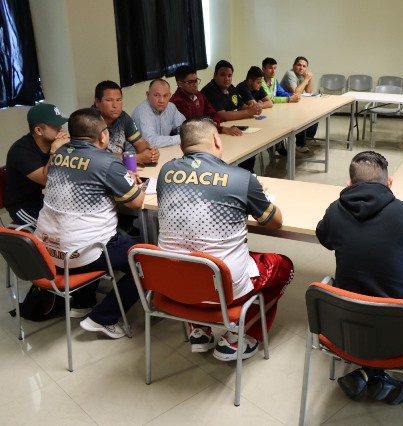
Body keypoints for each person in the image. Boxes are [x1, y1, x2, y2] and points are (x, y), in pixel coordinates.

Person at [156, 117, 294, 360]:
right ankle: (238, 338)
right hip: (223, 288)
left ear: (181, 147)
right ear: (217, 140)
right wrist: (256, 193)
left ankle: (199, 330)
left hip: (173, 285)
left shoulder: (165, 172)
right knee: (284, 266)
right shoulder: (241, 178)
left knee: (189, 255)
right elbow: (275, 222)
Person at [316, 151, 403, 404]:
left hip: (345, 325)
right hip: (400, 333)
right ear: (389, 182)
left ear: (349, 184)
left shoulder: (335, 210)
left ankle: (368, 372)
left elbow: (325, 238)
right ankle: (377, 374)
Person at [35, 108, 145, 338]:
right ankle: (103, 318)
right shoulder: (106, 162)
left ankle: (82, 303)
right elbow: (136, 202)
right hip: (81, 252)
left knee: (90, 231)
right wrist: (131, 182)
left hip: (45, 251)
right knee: (146, 263)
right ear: (103, 136)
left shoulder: (59, 154)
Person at [5, 103, 70, 225]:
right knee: (52, 230)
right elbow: (46, 179)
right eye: (55, 126)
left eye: (60, 124)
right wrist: (55, 150)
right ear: (39, 130)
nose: (61, 129)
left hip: (46, 199)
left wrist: (71, 145)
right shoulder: (20, 151)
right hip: (23, 207)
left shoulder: (54, 142)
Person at [201, 60, 261, 171]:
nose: (227, 79)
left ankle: (247, 171)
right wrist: (248, 112)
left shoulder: (231, 88)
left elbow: (242, 106)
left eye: (229, 75)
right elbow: (222, 116)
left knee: (250, 144)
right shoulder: (210, 91)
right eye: (222, 75)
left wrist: (254, 109)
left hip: (233, 129)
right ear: (215, 75)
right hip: (216, 133)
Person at [93, 80, 159, 165]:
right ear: (97, 102)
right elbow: (96, 156)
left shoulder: (123, 117)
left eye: (118, 100)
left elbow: (140, 142)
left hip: (120, 168)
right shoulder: (89, 121)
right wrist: (136, 158)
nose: (115, 105)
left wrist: (150, 153)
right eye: (109, 100)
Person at [169, 65, 243, 137]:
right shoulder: (177, 102)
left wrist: (215, 123)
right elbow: (192, 128)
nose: (195, 84)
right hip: (189, 140)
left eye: (196, 80)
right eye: (190, 82)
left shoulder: (199, 95)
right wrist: (221, 129)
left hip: (206, 134)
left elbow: (214, 114)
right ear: (180, 84)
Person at [131, 79, 185, 148]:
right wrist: (181, 138)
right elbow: (151, 142)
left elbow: (185, 127)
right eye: (157, 95)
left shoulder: (171, 107)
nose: (161, 100)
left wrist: (187, 134)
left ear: (170, 96)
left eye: (165, 96)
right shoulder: (142, 112)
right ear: (148, 95)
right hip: (137, 153)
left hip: (161, 150)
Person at [281, 56, 317, 153]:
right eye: (299, 65)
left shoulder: (302, 75)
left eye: (304, 66)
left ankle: (307, 137)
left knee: (315, 113)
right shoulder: (290, 74)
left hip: (295, 103)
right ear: (293, 65)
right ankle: (300, 144)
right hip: (285, 104)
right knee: (301, 116)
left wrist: (310, 78)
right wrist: (306, 79)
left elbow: (309, 91)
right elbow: (295, 92)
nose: (301, 68)